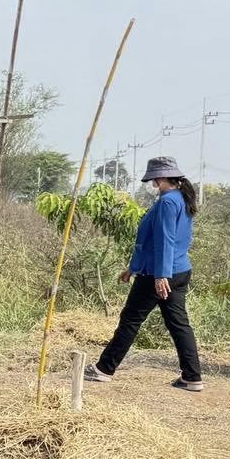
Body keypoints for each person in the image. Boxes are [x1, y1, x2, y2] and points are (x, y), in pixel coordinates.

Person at [84, 156, 203, 392]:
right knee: (179, 325)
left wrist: (160, 276)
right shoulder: (180, 198)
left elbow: (165, 241)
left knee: (130, 320)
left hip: (159, 274)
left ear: (158, 178)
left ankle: (104, 369)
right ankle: (192, 377)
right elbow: (152, 241)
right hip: (178, 270)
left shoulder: (168, 202)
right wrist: (133, 268)